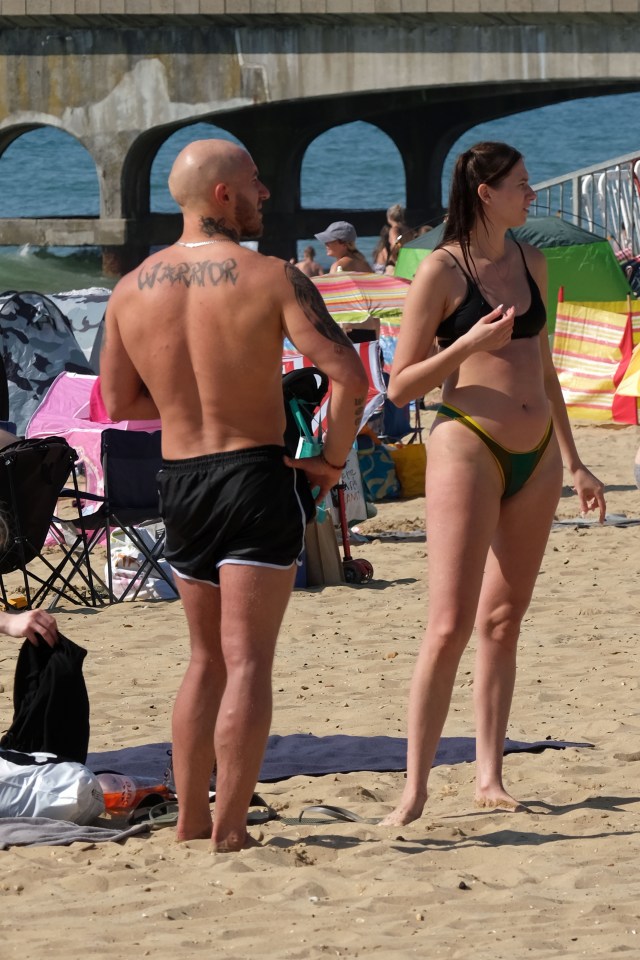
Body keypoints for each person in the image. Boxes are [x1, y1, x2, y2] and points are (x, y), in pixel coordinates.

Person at [99, 138, 368, 851]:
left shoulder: (131, 288)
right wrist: (331, 463)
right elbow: (349, 374)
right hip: (254, 473)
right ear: (222, 193)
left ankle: (189, 821)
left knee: (204, 660)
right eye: (255, 181)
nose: (265, 194)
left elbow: (118, 399)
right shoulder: (273, 275)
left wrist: (194, 401)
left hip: (180, 482)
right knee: (248, 661)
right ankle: (229, 832)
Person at [381, 141, 605, 826]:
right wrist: (466, 348)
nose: (532, 195)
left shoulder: (531, 260)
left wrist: (575, 460)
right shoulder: (442, 272)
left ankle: (489, 775)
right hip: (467, 446)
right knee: (448, 624)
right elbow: (400, 386)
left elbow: (545, 372)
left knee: (504, 621)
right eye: (521, 186)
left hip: (535, 453)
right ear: (485, 192)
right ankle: (414, 789)